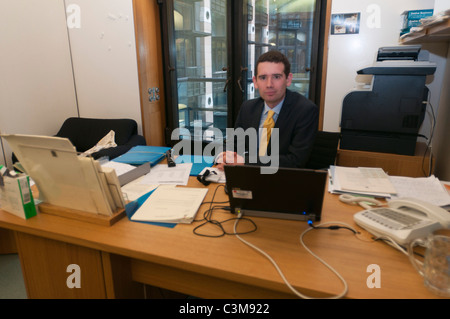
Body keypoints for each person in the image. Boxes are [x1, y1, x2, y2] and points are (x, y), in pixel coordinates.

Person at [216, 50, 318, 170]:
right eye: (263, 77)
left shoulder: (305, 111)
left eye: (276, 77)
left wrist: (244, 161)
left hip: (282, 180)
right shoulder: (248, 108)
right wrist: (223, 156)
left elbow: (295, 161)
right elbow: (235, 144)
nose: (269, 84)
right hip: (247, 177)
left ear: (288, 79)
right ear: (255, 82)